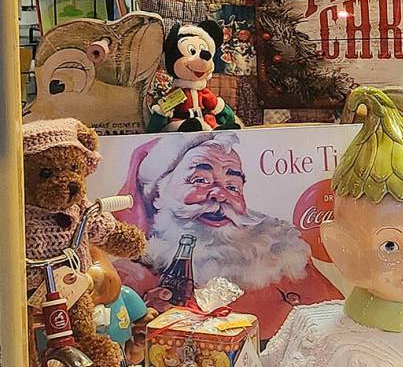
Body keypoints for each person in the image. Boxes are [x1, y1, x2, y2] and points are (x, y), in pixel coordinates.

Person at [114, 133, 340, 336]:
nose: (220, 195)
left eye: (233, 186)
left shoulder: (280, 251)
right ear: (157, 194)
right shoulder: (132, 279)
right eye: (200, 180)